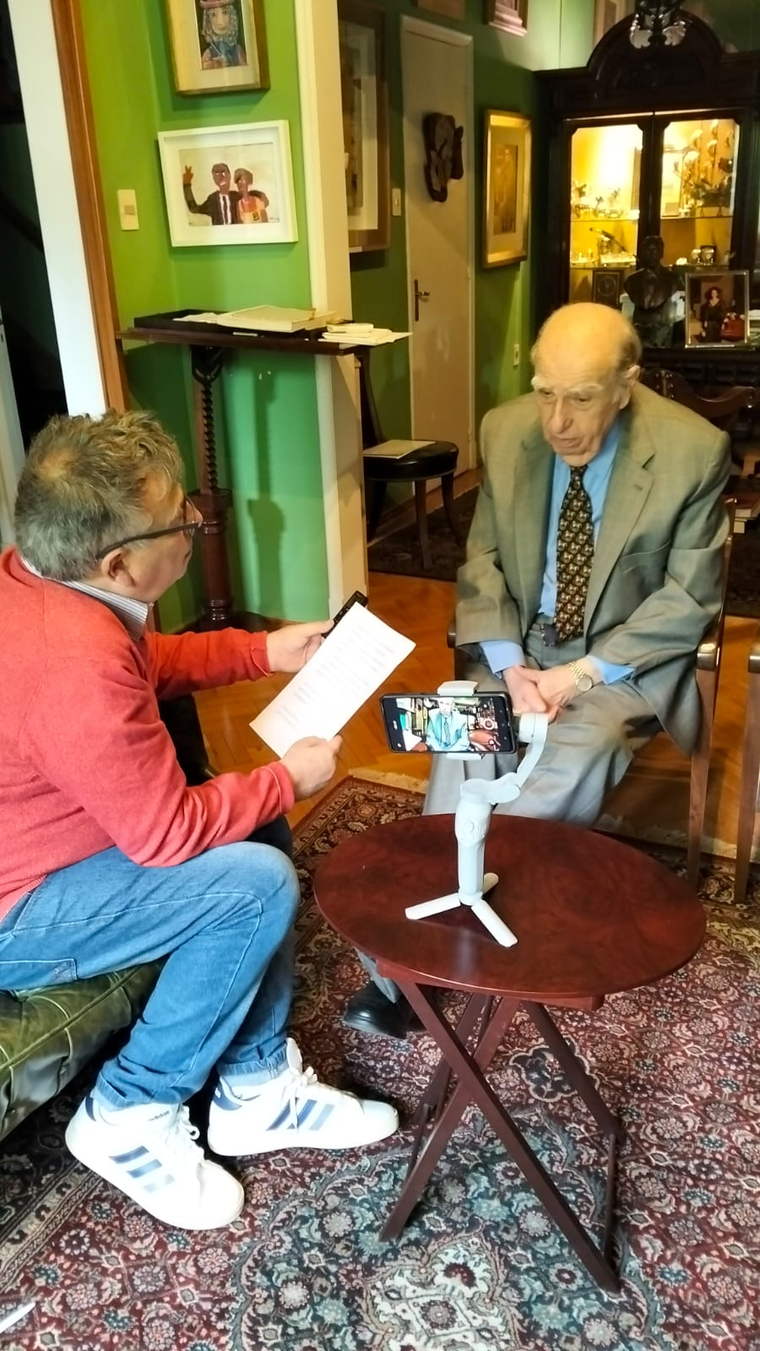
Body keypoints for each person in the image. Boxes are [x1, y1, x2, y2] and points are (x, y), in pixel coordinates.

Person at [0, 410, 397, 1230]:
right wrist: (288, 777)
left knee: (255, 830)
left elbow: (145, 662)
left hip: (50, 850)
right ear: (118, 562)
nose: (195, 523)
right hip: (19, 910)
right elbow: (167, 834)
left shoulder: (42, 584)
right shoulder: (72, 660)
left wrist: (262, 651)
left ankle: (255, 1087)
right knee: (256, 882)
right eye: (178, 518)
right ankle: (129, 1108)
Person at [345, 301, 730, 1039]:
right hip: (519, 650)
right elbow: (483, 561)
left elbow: (690, 598)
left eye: (580, 398)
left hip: (617, 662)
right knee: (464, 735)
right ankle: (410, 963)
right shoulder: (506, 430)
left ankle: (467, 919)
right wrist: (513, 665)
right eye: (545, 391)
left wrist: (577, 675)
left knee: (576, 752)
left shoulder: (693, 451)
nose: (557, 420)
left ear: (626, 384)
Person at [623, 235, 679, 348]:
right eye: (647, 250)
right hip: (638, 331)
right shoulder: (631, 281)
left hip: (661, 331)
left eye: (654, 250)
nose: (651, 254)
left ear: (661, 253)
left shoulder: (673, 280)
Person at [183, 161, 240, 226]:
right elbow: (194, 209)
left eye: (223, 172)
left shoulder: (237, 197)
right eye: (217, 173)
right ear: (214, 179)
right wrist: (187, 184)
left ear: (229, 175)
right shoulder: (212, 200)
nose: (221, 176)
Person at [198, 0, 247, 69]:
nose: (220, 22)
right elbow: (202, 67)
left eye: (225, 12)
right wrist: (214, 64)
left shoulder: (237, 50)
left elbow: (245, 69)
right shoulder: (210, 51)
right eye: (213, 14)